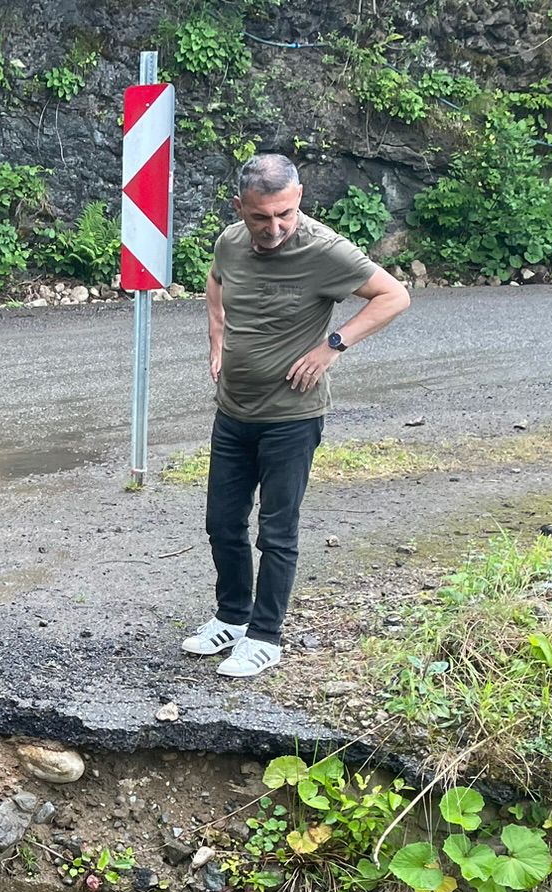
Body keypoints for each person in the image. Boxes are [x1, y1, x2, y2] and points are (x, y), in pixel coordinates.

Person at [181, 154, 412, 678]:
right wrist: (216, 334)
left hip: (291, 418)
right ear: (240, 207)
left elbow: (394, 296)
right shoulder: (230, 242)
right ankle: (232, 618)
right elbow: (217, 281)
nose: (274, 227)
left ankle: (266, 637)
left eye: (284, 213)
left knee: (277, 531)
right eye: (261, 217)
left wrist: (333, 345)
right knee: (222, 524)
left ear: (300, 198)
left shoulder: (324, 250)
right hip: (234, 411)